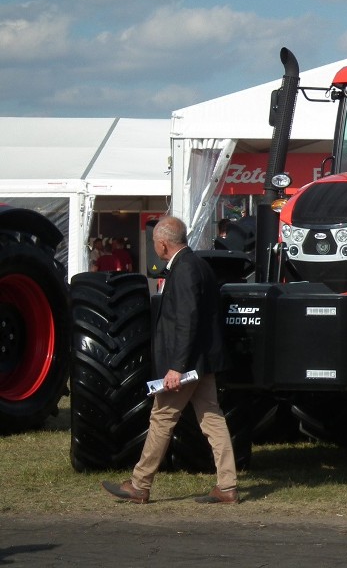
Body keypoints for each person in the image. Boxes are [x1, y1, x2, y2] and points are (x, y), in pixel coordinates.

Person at [101, 216, 238, 504]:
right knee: (212, 419)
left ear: (163, 244)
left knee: (162, 417)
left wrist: (176, 367)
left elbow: (186, 321)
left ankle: (139, 484)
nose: (154, 249)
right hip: (202, 362)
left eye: (154, 244)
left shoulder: (185, 269)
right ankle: (227, 485)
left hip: (187, 364)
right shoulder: (198, 265)